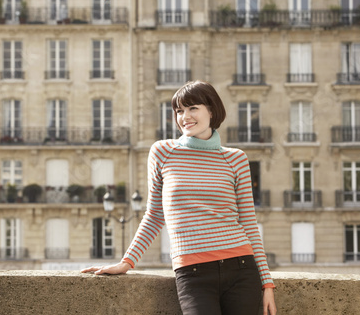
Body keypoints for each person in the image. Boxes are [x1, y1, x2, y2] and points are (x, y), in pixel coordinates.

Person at [82, 81, 276, 315]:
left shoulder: (236, 159)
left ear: (211, 110)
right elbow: (154, 215)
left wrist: (266, 283)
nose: (185, 117)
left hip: (241, 267)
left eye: (193, 108)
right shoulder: (163, 152)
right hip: (192, 272)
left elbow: (248, 222)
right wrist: (126, 262)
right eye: (179, 111)